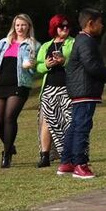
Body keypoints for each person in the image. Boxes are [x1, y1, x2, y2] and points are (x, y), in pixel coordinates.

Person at [58, 8, 106, 179]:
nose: (102, 26)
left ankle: (66, 162)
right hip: (85, 91)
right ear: (90, 23)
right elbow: (92, 65)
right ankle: (80, 164)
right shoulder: (86, 41)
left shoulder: (81, 40)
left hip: (80, 90)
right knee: (82, 127)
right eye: (100, 22)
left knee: (75, 126)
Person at [0, 14, 39, 168]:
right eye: (17, 25)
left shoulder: (34, 45)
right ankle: (10, 145)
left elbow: (35, 70)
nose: (20, 28)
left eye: (23, 25)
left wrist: (30, 66)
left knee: (9, 117)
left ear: (29, 26)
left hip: (19, 85)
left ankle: (6, 154)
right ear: (14, 26)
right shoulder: (3, 43)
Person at [34, 14, 75, 168]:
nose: (65, 28)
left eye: (67, 26)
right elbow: (38, 67)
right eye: (61, 26)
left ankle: (70, 153)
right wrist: (46, 64)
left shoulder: (73, 42)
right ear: (54, 28)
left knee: (69, 120)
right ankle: (45, 155)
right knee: (47, 121)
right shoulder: (46, 46)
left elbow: (78, 62)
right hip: (49, 88)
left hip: (67, 88)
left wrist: (64, 61)